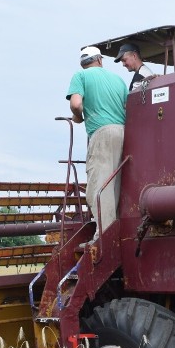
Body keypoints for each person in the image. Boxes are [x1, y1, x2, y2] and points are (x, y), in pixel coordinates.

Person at [66, 46, 128, 242]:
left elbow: (76, 104)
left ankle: (104, 236)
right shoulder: (118, 80)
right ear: (100, 60)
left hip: (102, 134)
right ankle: (119, 230)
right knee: (117, 184)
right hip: (124, 132)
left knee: (99, 185)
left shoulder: (80, 76)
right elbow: (128, 107)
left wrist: (78, 117)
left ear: (83, 64)